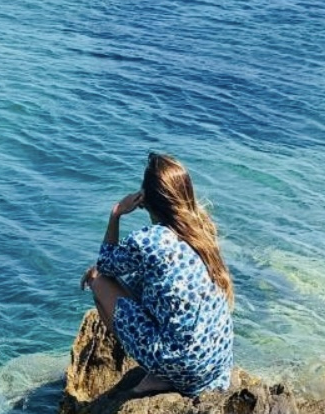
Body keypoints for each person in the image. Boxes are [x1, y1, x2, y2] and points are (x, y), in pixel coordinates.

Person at [80, 151, 234, 396]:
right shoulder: (202, 228)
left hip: (183, 367)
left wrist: (116, 212)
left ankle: (160, 373)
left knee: (97, 279)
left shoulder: (151, 240)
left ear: (145, 199)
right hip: (215, 366)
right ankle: (165, 369)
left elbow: (105, 264)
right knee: (140, 281)